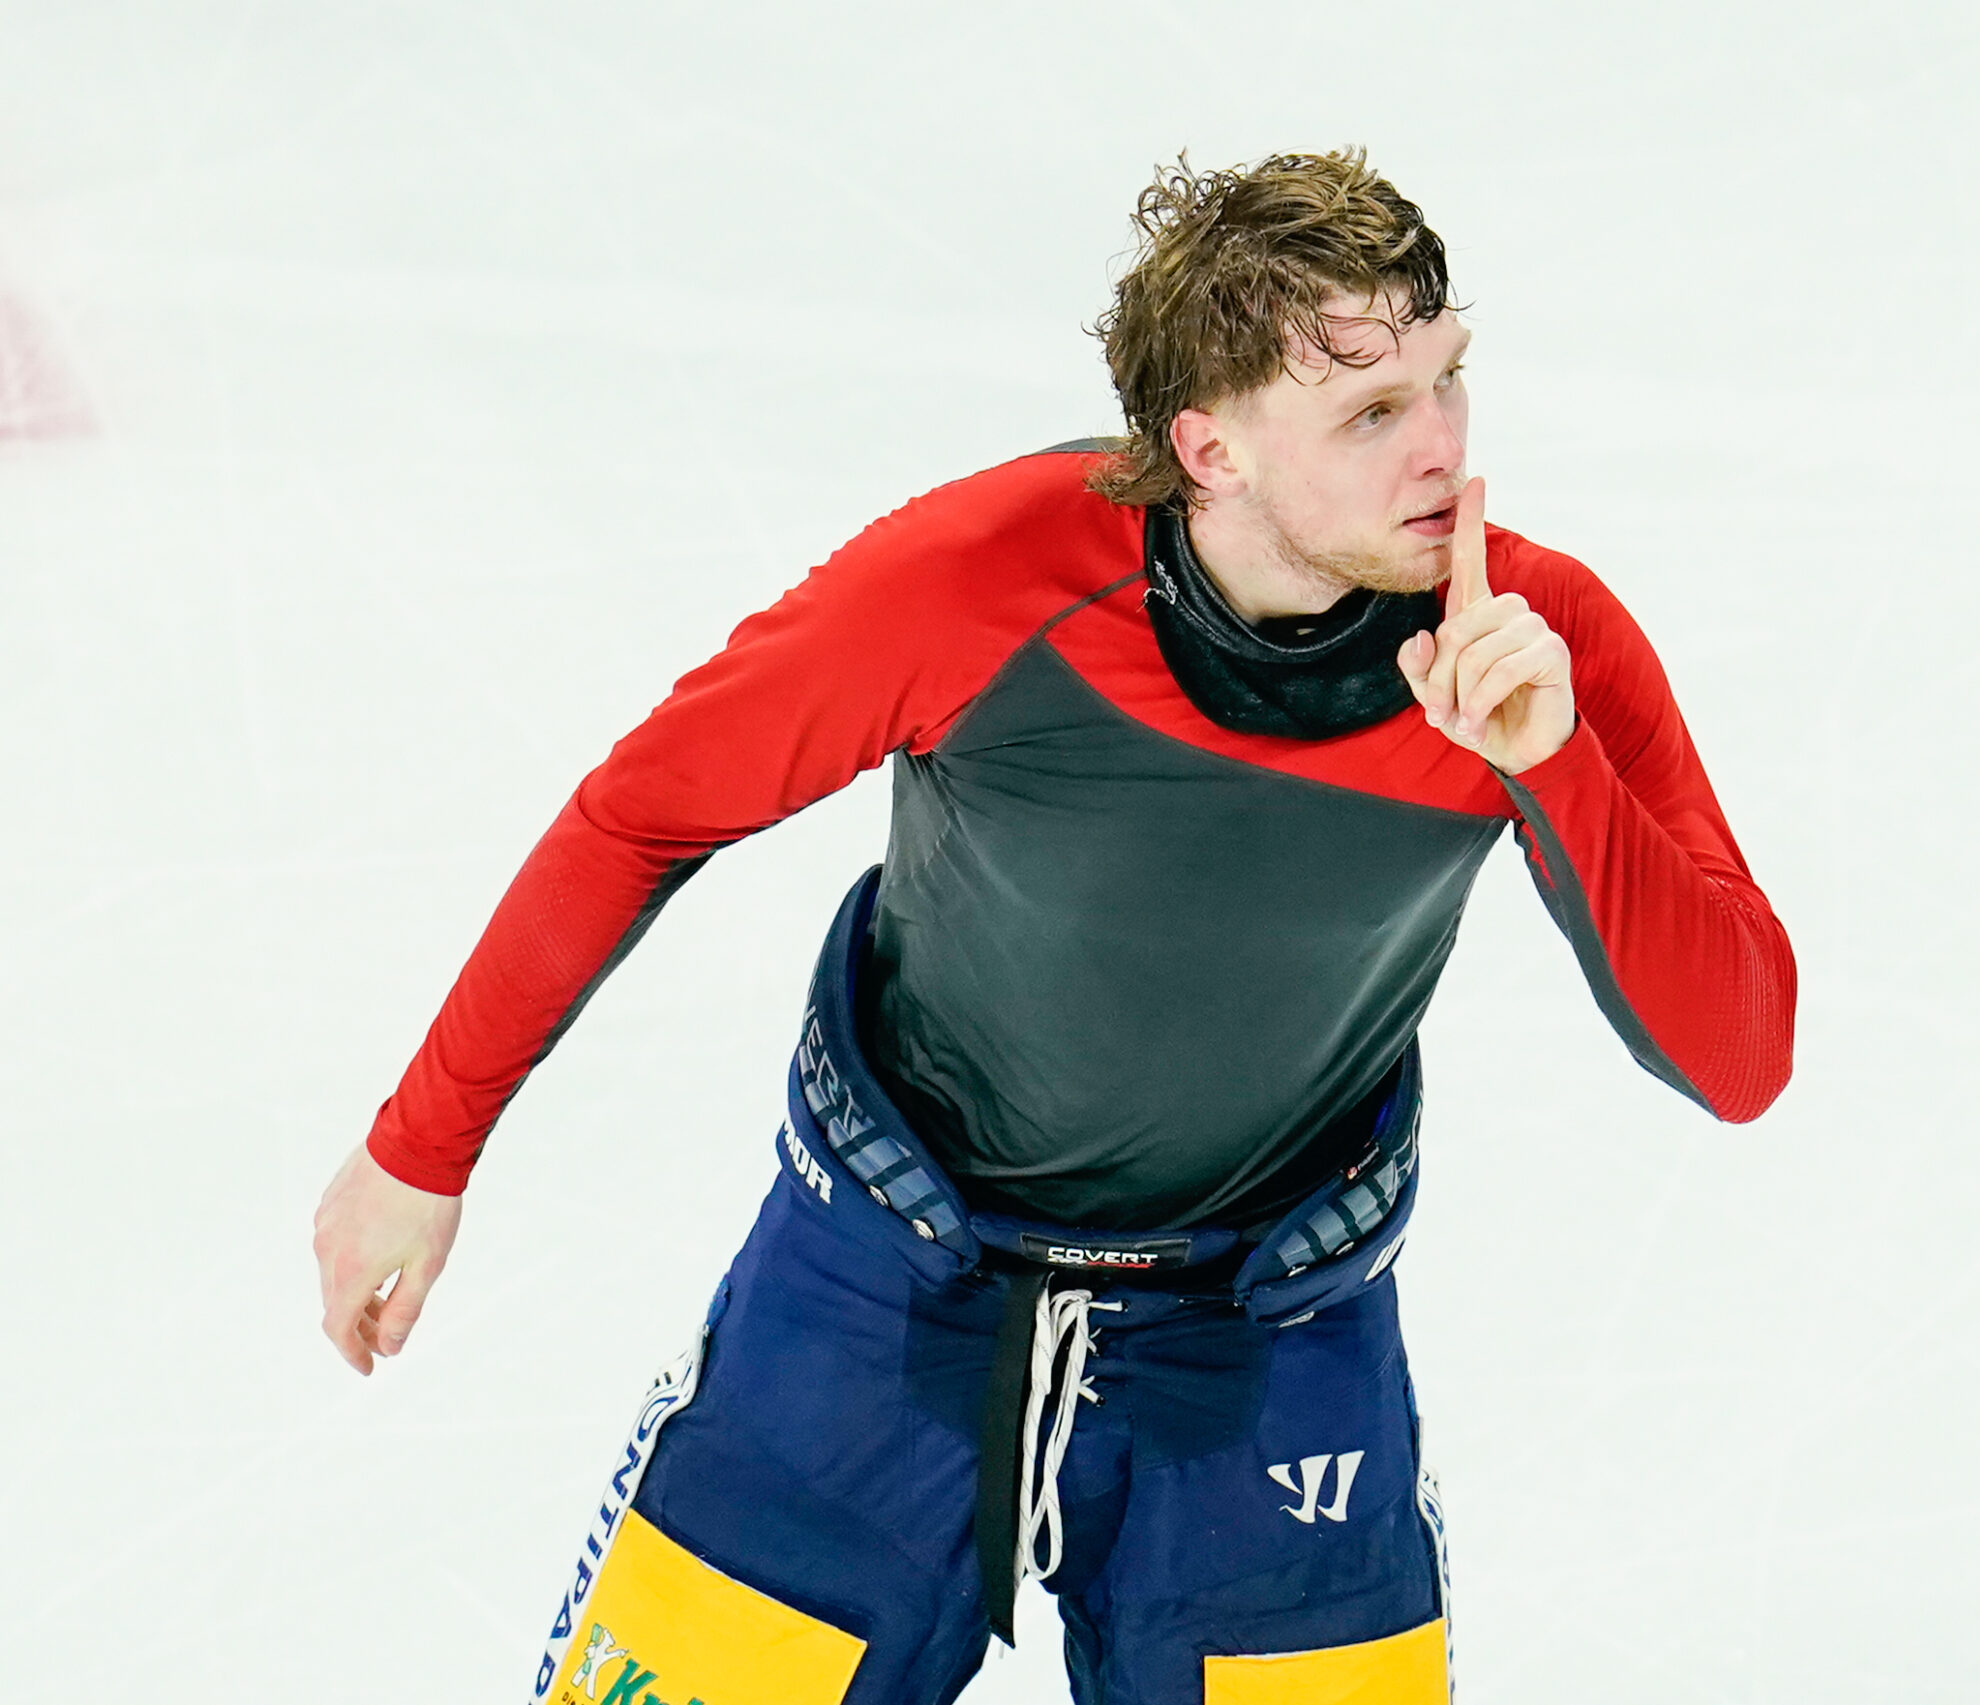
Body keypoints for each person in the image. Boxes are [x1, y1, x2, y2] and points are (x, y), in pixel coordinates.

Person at [312, 148, 1796, 1705]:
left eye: (1449, 381)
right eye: (1371, 414)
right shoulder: (979, 578)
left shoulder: (1529, 647)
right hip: (884, 1282)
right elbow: (645, 809)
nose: (1444, 453)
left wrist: (1550, 764)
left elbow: (1741, 1054)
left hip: (1268, 1331)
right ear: (1207, 448)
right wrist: (423, 1144)